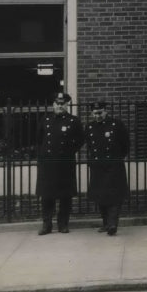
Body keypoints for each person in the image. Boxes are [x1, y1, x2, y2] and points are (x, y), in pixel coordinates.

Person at [35, 91, 85, 235]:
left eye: (63, 104)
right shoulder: (45, 120)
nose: (60, 106)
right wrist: (43, 156)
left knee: (65, 196)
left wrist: (68, 152)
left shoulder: (73, 121)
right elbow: (39, 140)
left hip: (65, 163)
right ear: (53, 104)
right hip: (48, 164)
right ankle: (47, 224)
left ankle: (63, 224)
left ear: (67, 105)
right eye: (57, 103)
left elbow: (80, 140)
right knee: (47, 195)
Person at [85, 101, 130, 236]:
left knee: (115, 196)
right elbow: (89, 146)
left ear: (106, 111)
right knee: (101, 195)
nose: (98, 116)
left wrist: (116, 158)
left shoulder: (116, 125)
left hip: (113, 165)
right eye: (95, 113)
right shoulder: (90, 127)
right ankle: (105, 223)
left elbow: (125, 145)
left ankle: (112, 224)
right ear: (91, 113)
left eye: (100, 113)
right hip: (98, 166)